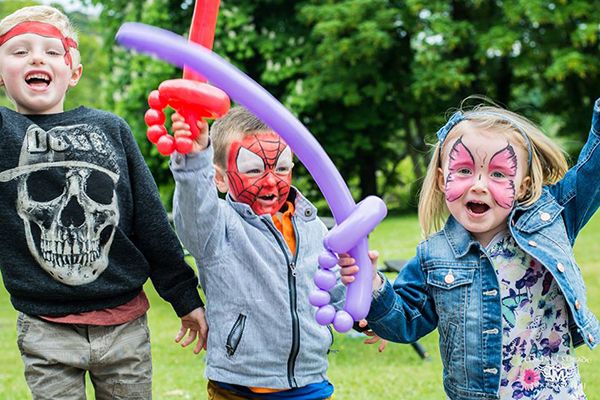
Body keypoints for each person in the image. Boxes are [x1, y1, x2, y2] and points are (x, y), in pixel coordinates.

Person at [0, 6, 207, 399]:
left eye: (51, 51)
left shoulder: (111, 129)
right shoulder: (2, 134)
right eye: (19, 51)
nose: (37, 58)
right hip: (46, 328)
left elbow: (149, 220)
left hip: (124, 325)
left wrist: (183, 296)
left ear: (73, 72)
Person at [338, 99, 600, 399]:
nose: (479, 185)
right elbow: (404, 321)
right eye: (463, 170)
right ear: (440, 179)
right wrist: (372, 286)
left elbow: (593, 172)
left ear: (524, 186)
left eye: (499, 174)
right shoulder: (434, 256)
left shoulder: (554, 216)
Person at [170, 105, 344, 400]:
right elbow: (195, 211)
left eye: (282, 167)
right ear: (221, 178)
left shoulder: (313, 227)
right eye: (253, 169)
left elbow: (336, 284)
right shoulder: (218, 228)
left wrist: (368, 311)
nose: (271, 180)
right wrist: (193, 159)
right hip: (240, 389)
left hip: (311, 384)